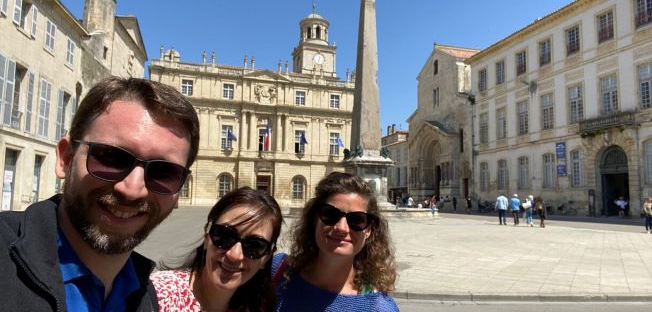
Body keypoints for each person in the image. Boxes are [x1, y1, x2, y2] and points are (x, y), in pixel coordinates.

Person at [0, 77, 200, 311]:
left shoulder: (146, 297)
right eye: (111, 157)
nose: (132, 189)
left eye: (164, 172)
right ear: (66, 159)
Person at [272, 172, 398, 311]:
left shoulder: (379, 308)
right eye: (330, 214)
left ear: (368, 230)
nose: (342, 228)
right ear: (315, 219)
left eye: (357, 219)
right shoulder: (276, 271)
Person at [151, 187, 283, 312]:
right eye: (224, 236)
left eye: (254, 245)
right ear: (207, 237)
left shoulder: (256, 307)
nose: (235, 255)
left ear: (266, 257)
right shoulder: (157, 296)